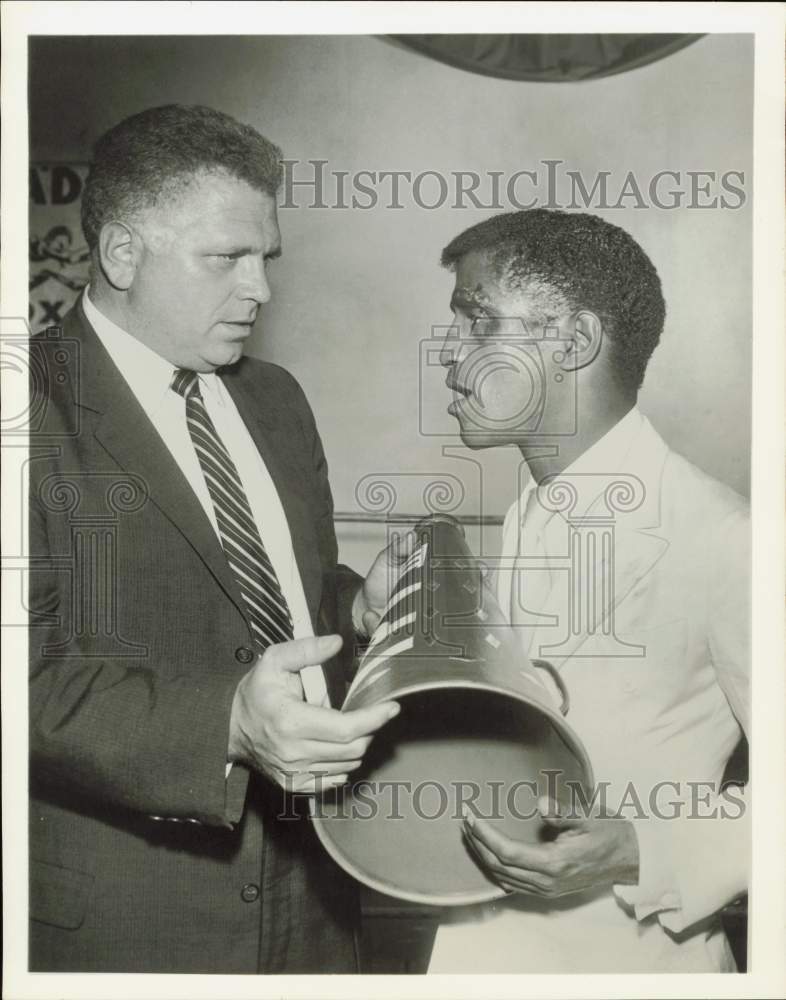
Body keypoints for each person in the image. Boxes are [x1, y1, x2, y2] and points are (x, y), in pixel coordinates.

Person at [28, 104, 399, 974]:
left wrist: (357, 605)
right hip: (124, 927)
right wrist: (226, 722)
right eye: (224, 258)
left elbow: (283, 588)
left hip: (316, 905)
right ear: (123, 254)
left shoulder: (275, 397)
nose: (260, 289)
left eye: (265, 259)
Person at [428, 208, 749, 972]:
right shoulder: (526, 511)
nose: (446, 354)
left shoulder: (727, 537)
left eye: (475, 323)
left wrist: (645, 848)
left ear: (572, 342)